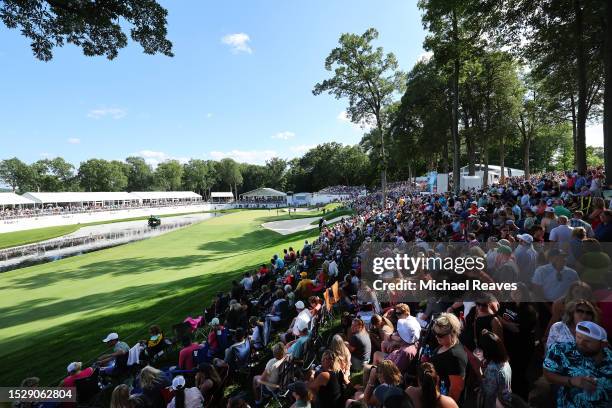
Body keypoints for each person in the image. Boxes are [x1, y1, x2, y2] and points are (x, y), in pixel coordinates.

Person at [543, 321, 612, 408]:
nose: (581, 343)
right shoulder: (561, 350)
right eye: (578, 337)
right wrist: (571, 381)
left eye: (588, 341)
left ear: (603, 344)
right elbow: (547, 373)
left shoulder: (610, 359)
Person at [429, 313, 468, 403]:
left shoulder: (455, 357)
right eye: (435, 333)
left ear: (453, 332)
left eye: (441, 335)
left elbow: (456, 389)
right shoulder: (445, 344)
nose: (437, 337)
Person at [478, 330, 512, 408]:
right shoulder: (505, 361)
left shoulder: (492, 369)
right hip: (506, 400)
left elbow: (489, 392)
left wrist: (480, 374)